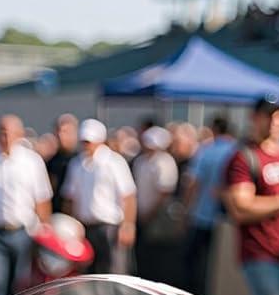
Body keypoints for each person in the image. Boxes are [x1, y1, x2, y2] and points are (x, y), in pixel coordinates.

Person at [224, 96, 279, 295]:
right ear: (255, 119)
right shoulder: (244, 156)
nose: (275, 122)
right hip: (262, 254)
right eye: (268, 116)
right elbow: (241, 207)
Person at [0, 115, 52, 295]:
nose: (5, 137)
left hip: (23, 231)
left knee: (21, 284)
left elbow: (42, 198)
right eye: (2, 133)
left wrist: (43, 229)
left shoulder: (31, 161)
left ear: (19, 134)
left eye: (9, 133)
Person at [62, 119, 135, 275]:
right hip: (85, 226)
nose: (86, 145)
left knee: (114, 272)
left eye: (89, 141)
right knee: (88, 273)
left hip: (110, 226)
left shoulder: (114, 162)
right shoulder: (76, 164)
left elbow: (128, 196)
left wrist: (127, 225)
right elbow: (70, 197)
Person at [182, 114, 235, 295]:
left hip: (203, 215)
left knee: (199, 263)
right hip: (229, 220)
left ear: (213, 129)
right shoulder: (238, 151)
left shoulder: (205, 151)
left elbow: (193, 183)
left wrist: (186, 208)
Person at [132, 125, 180, 280]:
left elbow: (164, 192)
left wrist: (150, 212)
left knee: (159, 254)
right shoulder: (140, 161)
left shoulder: (165, 162)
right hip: (142, 213)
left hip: (159, 216)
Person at [46, 114, 78, 201]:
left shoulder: (80, 162)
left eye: (65, 132)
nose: (61, 136)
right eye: (59, 131)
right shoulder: (51, 163)